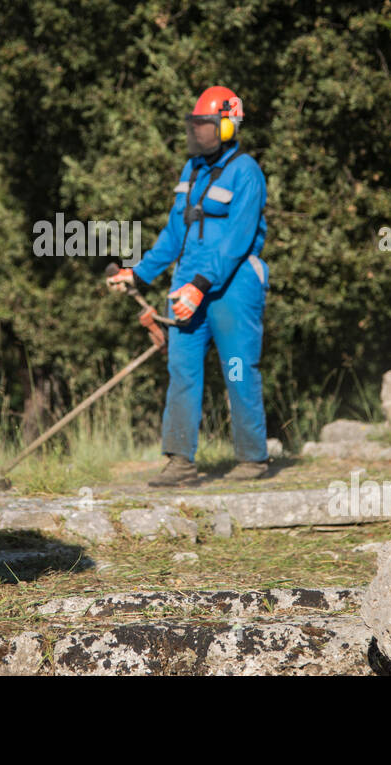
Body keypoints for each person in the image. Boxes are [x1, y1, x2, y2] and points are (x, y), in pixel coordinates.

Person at [107, 86, 270, 487]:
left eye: (207, 125)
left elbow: (237, 239)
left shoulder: (247, 171)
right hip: (186, 286)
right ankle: (180, 462)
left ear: (229, 126)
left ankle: (253, 459)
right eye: (195, 125)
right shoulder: (191, 169)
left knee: (237, 370)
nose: (198, 133)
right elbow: (174, 232)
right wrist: (140, 273)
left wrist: (200, 285)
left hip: (233, 287)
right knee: (182, 372)